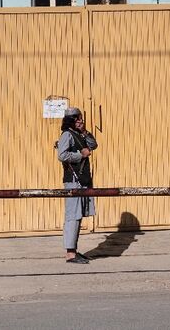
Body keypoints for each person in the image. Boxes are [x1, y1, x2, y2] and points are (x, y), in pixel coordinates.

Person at [57, 107, 98, 264]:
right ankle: (70, 254)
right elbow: (62, 155)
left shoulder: (80, 134)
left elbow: (93, 145)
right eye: (78, 118)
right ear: (71, 120)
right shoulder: (67, 135)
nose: (80, 121)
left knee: (78, 215)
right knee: (72, 215)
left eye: (81, 118)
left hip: (82, 179)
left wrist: (86, 132)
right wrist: (80, 154)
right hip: (73, 179)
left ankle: (73, 250)